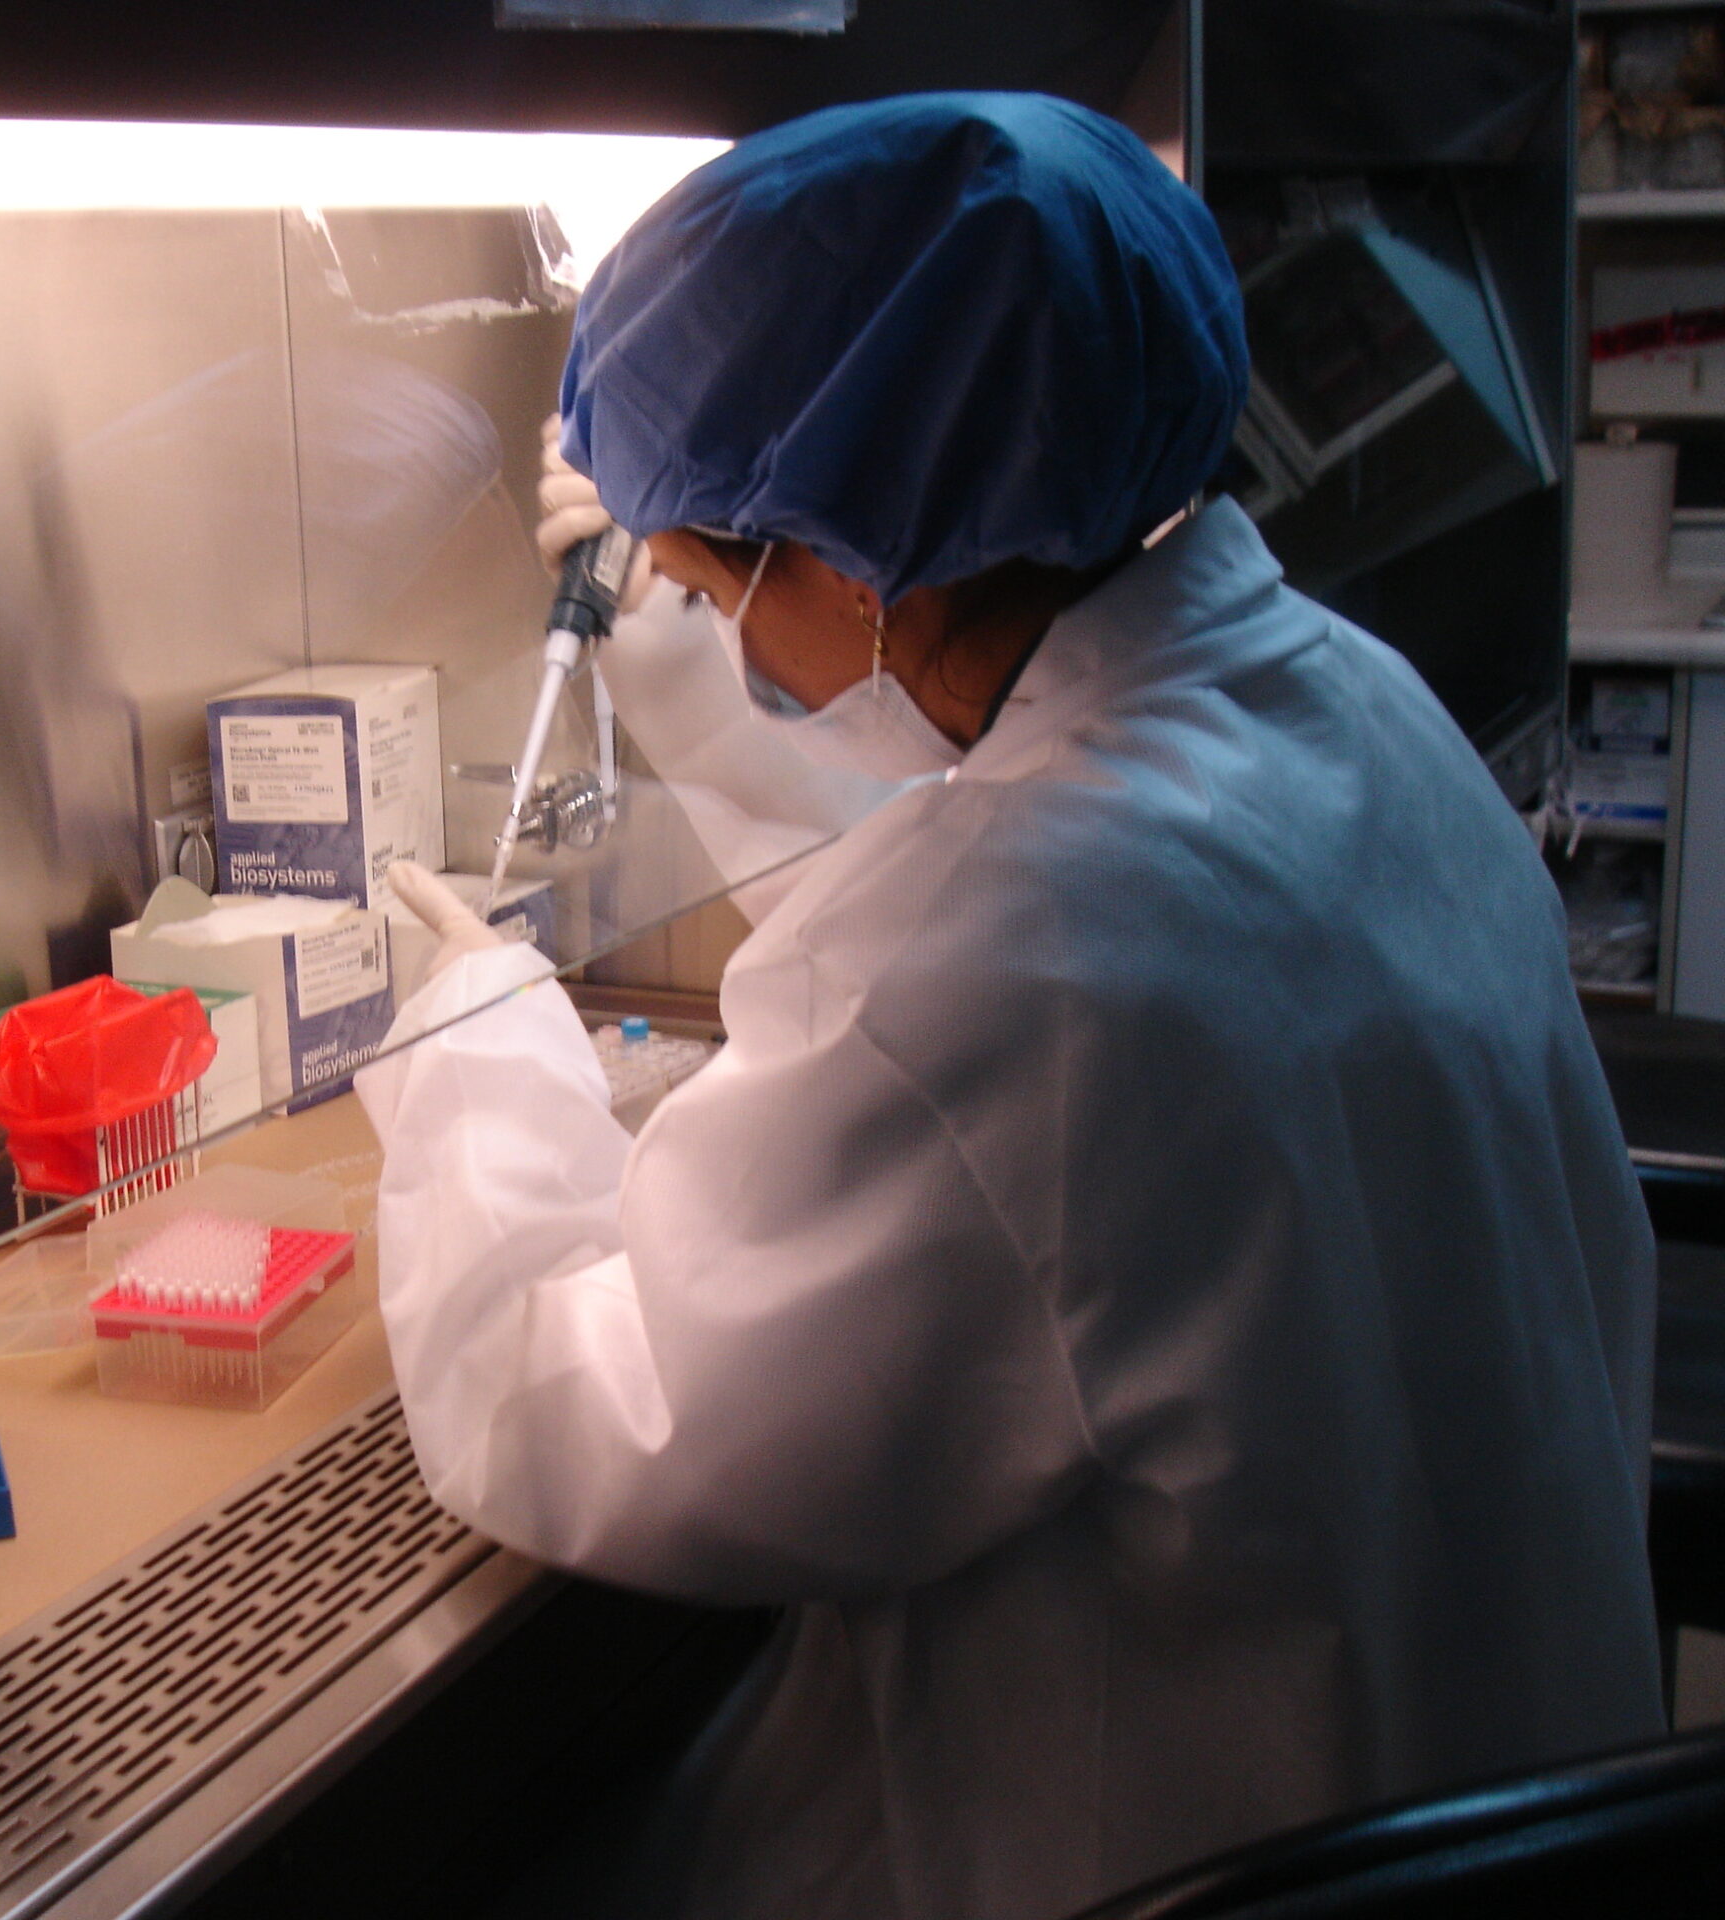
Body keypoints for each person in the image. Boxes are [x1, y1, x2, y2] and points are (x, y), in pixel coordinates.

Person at [363, 93, 1664, 1920]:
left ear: (851, 559)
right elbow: (991, 882)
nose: (729, 638)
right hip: (1489, 1786)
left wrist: (473, 1048)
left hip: (1188, 1850)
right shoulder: (1353, 708)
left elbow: (600, 1420)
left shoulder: (1018, 947)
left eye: (718, 581)